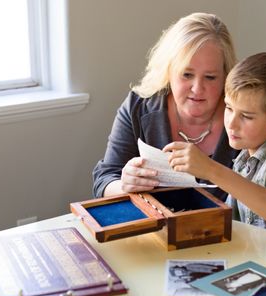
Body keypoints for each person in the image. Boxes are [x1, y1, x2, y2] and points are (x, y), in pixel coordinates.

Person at [163, 52, 266, 246]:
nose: (231, 124)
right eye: (229, 108)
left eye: (247, 116)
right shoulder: (243, 160)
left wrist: (211, 170)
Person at [92, 12, 238, 201]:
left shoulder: (242, 115)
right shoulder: (138, 106)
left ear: (226, 75)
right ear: (168, 71)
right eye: (187, 74)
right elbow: (103, 179)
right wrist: (124, 185)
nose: (197, 88)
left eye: (210, 77)